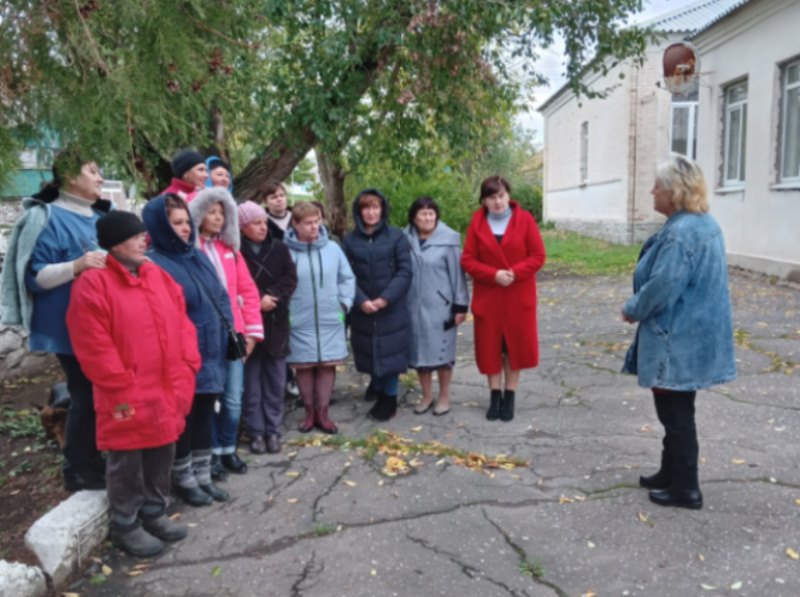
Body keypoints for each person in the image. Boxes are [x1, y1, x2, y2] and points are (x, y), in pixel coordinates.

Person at [66, 211, 200, 557]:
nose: (144, 240)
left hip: (167, 383)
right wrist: (119, 380)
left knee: (163, 448)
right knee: (127, 457)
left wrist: (188, 363)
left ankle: (154, 511)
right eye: (135, 235)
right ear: (113, 243)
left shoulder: (157, 275)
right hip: (125, 388)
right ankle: (125, 522)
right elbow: (91, 341)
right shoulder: (93, 283)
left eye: (144, 234)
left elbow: (182, 321)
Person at [622, 155, 736, 510]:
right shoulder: (703, 224)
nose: (652, 191)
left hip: (677, 338)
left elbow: (662, 287)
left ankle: (686, 488)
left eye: (657, 185)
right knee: (677, 408)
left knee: (675, 414)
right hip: (692, 335)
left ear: (674, 192)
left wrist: (633, 308)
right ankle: (669, 473)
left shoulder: (682, 233)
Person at [1, 148, 112, 492]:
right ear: (69, 176)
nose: (100, 177)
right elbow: (35, 277)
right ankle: (78, 469)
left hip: (101, 323)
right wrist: (77, 266)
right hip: (67, 325)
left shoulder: (98, 217)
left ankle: (95, 457)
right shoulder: (46, 218)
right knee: (86, 391)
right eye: (92, 170)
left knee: (99, 391)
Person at [142, 194, 231, 506]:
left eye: (185, 222)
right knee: (185, 418)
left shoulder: (196, 256)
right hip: (183, 357)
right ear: (158, 226)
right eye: (175, 223)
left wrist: (230, 330)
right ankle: (184, 478)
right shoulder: (154, 264)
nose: (183, 229)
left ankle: (204, 475)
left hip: (212, 350)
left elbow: (220, 296)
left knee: (205, 415)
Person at [189, 187, 263, 476]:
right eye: (211, 211)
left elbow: (248, 291)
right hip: (204, 336)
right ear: (198, 213)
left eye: (222, 213)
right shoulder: (191, 253)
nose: (217, 218)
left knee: (233, 396)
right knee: (209, 396)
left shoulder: (230, 251)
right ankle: (209, 454)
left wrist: (252, 333)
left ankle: (227, 449)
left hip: (234, 334)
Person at [461, 175, 546, 423]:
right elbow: (467, 260)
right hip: (489, 297)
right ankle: (494, 395)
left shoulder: (525, 220)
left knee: (513, 348)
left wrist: (514, 273)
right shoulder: (477, 222)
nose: (497, 202)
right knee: (491, 349)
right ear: (484, 201)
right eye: (491, 197)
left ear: (508, 196)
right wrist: (492, 274)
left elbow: (538, 255)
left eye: (501, 196)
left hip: (518, 296)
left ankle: (510, 395)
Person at [283, 202, 355, 434]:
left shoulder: (332, 248)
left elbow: (347, 277)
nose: (314, 227)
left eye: (317, 221)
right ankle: (309, 413)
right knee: (304, 366)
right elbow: (278, 283)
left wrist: (343, 304)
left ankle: (323, 413)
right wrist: (286, 310)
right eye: (308, 223)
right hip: (299, 320)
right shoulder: (285, 250)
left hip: (330, 318)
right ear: (295, 224)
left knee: (327, 365)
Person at [342, 189, 412, 422]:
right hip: (363, 308)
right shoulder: (350, 240)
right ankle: (378, 386)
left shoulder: (396, 236)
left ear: (382, 209)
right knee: (369, 351)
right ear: (359, 211)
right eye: (366, 208)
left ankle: (389, 400)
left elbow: (405, 271)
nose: (371, 212)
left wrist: (385, 299)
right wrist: (360, 300)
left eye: (375, 207)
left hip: (390, 307)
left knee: (390, 353)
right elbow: (345, 274)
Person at [238, 201, 298, 453]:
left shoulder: (280, 248)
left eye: (264, 222)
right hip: (248, 324)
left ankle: (273, 430)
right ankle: (256, 432)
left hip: (276, 321)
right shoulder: (236, 251)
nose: (263, 227)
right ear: (243, 227)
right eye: (256, 223)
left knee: (275, 381)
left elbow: (290, 278)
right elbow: (234, 284)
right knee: (251, 384)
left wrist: (271, 295)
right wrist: (256, 299)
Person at [403, 197, 469, 416]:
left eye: (431, 213)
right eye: (423, 214)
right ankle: (427, 395)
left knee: (442, 355)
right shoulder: (404, 239)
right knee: (421, 354)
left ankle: (443, 397)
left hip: (441, 307)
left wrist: (460, 306)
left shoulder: (448, 240)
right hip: (413, 307)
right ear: (414, 217)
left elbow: (457, 276)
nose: (427, 218)